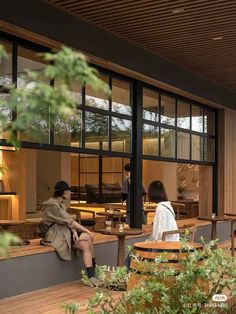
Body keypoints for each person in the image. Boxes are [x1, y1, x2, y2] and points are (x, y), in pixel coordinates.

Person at [41, 181, 99, 285]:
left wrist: (73, 230)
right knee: (88, 236)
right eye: (68, 191)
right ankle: (94, 271)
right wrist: (86, 230)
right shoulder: (52, 205)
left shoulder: (59, 204)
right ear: (64, 192)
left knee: (85, 245)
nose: (70, 193)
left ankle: (92, 276)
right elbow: (69, 220)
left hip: (65, 231)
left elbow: (64, 221)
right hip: (57, 234)